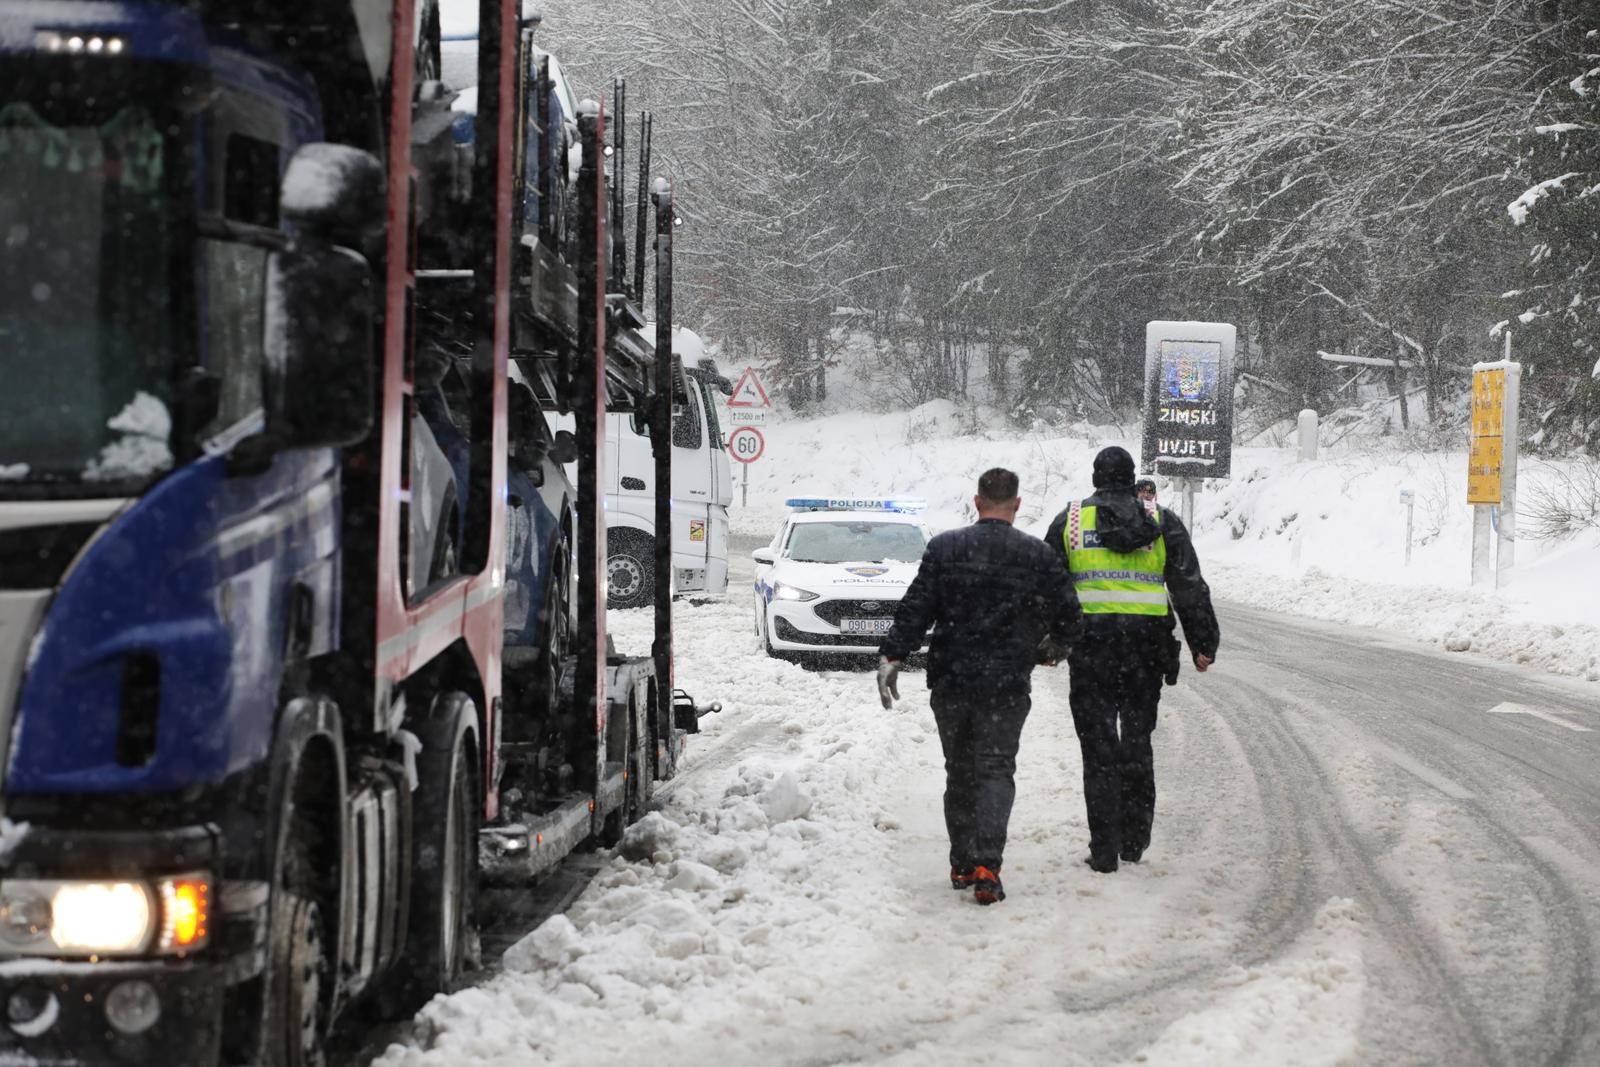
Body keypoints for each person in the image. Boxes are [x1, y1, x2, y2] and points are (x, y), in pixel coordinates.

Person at [877, 468, 1081, 905]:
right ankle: (989, 864)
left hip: (952, 679)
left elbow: (918, 608)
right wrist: (1051, 648)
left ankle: (963, 861)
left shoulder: (946, 548)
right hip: (1006, 683)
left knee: (960, 769)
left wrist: (893, 654)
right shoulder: (1037, 555)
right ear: (1018, 504)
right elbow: (1070, 615)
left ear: (977, 501)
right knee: (995, 769)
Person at [1044, 447, 1218, 874]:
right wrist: (1203, 641)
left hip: (1091, 652)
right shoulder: (1159, 522)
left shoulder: (1070, 521)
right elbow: (1189, 585)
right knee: (1137, 745)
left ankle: (1104, 847)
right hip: (1145, 652)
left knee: (1098, 750)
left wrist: (1044, 642)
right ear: (1131, 479)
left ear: (1096, 478)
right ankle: (1134, 840)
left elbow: (1045, 586)